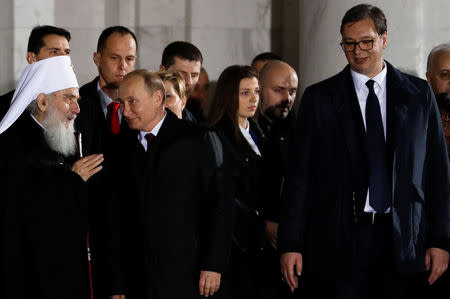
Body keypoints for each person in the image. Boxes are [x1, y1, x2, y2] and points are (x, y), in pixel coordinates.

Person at [278, 4, 450, 299]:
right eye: (349, 43)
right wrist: (291, 243)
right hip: (340, 241)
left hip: (405, 240)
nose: (358, 51)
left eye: (366, 41)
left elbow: (437, 172)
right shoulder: (320, 99)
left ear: (384, 39)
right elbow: (299, 177)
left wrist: (441, 240)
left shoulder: (419, 95)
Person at [107, 69, 232, 299]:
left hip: (189, 276)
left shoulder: (199, 138)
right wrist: (117, 284)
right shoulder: (119, 146)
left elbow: (219, 205)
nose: (125, 110)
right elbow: (115, 217)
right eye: (121, 102)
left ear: (157, 98)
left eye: (132, 101)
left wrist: (213, 264)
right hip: (137, 280)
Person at [0, 56, 103, 299]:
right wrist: (72, 181)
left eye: (77, 99)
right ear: (42, 102)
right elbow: (24, 207)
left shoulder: (55, 138)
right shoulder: (13, 146)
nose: (77, 109)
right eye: (69, 99)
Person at [73, 25, 137, 299]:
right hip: (87, 235)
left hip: (132, 237)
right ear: (97, 58)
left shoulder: (143, 106)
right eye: (115, 58)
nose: (123, 66)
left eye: (130, 59)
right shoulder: (74, 103)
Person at [206, 65, 267, 299]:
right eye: (245, 93)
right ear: (229, 95)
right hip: (233, 244)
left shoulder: (260, 132)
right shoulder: (215, 135)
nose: (254, 99)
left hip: (258, 243)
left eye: (257, 91)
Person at [257, 60, 299, 298]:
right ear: (259, 88)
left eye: (292, 91)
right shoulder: (244, 131)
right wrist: (262, 223)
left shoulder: (299, 131)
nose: (287, 98)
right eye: (279, 90)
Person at [0, 25, 71, 120]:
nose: (63, 58)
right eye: (54, 51)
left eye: (66, 52)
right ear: (32, 58)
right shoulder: (3, 109)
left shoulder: (75, 106)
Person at [159, 41, 203, 122]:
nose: (189, 82)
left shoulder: (194, 117)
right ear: (162, 70)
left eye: (194, 75)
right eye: (181, 74)